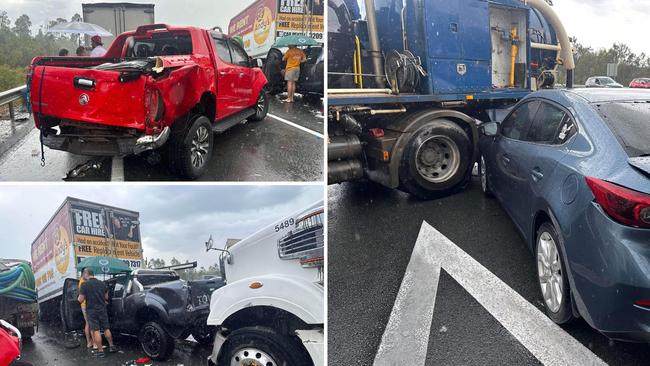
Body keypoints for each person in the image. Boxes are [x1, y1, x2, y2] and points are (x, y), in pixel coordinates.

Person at [78, 268, 117, 358]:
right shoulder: (102, 283)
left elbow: (80, 299)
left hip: (91, 311)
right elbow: (106, 297)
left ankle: (100, 351)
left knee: (96, 330)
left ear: (86, 274)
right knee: (106, 328)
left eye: (83, 274)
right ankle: (111, 346)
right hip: (102, 309)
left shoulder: (84, 285)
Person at [78, 272, 95, 350]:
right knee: (90, 324)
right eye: (86, 274)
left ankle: (89, 342)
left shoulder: (82, 282)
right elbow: (80, 298)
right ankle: (94, 343)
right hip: (86, 305)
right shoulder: (83, 282)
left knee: (88, 323)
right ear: (84, 274)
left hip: (84, 305)